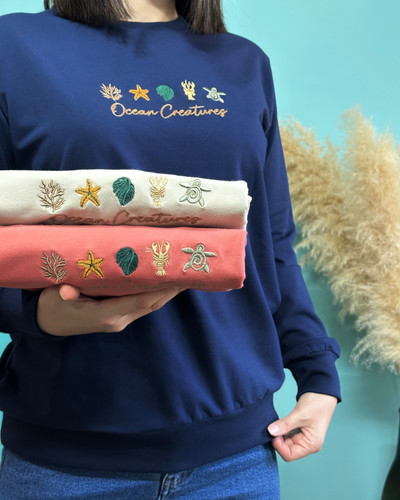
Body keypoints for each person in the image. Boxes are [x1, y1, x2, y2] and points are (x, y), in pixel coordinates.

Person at [0, 1, 341, 498]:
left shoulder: (244, 63)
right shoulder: (13, 48)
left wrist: (318, 374)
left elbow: (271, 244)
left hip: (237, 462)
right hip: (64, 464)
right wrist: (42, 314)